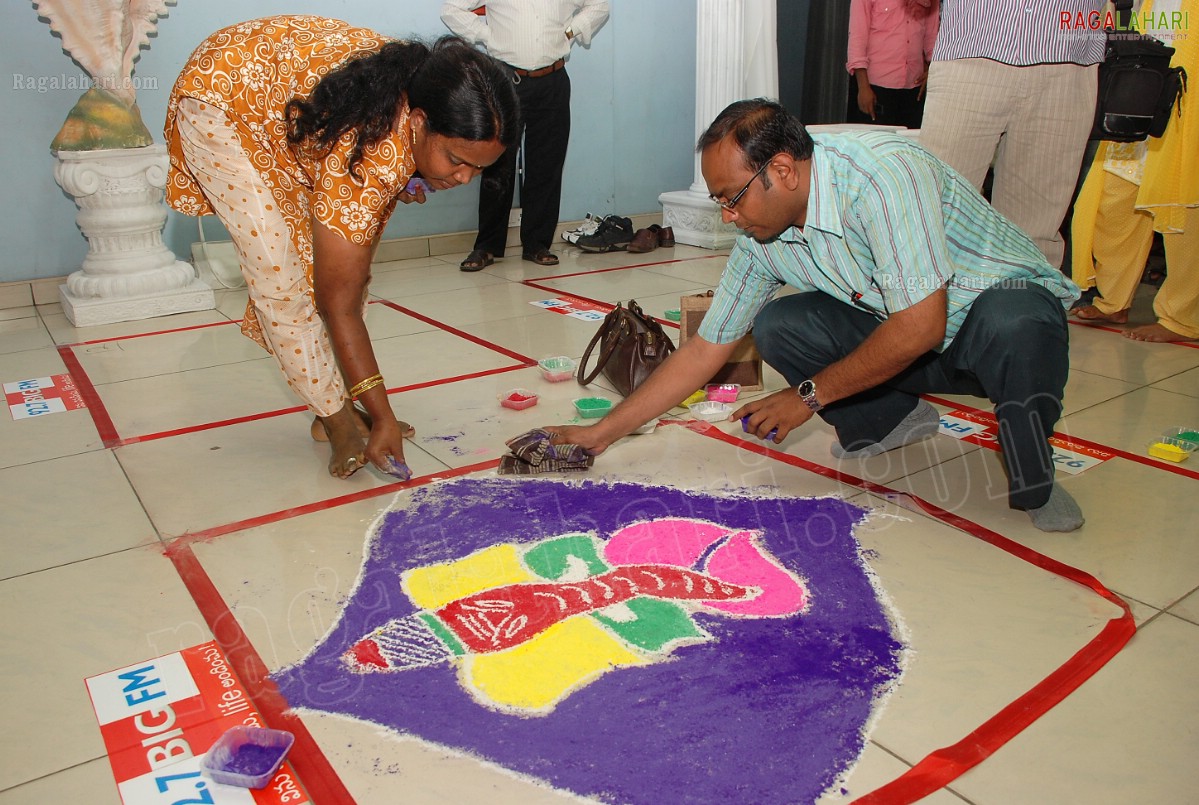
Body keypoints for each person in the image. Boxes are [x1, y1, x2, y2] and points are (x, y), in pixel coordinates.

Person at [544, 99, 1086, 533]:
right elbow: (704, 348)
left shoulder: (881, 176)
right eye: (721, 203)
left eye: (732, 199)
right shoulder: (761, 235)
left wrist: (808, 396)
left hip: (989, 316)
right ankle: (892, 420)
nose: (730, 217)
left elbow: (923, 325)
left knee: (1017, 322)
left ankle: (1035, 477)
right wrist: (602, 434)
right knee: (781, 324)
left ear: (783, 170)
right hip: (910, 334)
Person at [164, 16, 520, 478]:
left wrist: (416, 169)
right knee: (281, 277)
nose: (463, 179)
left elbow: (350, 269)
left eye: (479, 168)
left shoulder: (428, 90)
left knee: (338, 263)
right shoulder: (371, 149)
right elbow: (340, 301)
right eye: (456, 160)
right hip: (221, 99)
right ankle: (337, 421)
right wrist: (385, 415)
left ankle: (335, 401)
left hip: (275, 99)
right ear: (417, 121)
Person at [918, 0, 1106, 269]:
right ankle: (922, 309)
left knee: (1034, 238)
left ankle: (1022, 308)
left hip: (1067, 62)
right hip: (971, 51)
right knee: (935, 215)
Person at [441, 0, 610, 271]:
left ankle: (537, 243)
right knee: (497, 165)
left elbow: (600, 5)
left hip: (553, 80)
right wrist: (486, 36)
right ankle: (487, 245)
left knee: (547, 163)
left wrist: (571, 30)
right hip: (505, 80)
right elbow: (451, 8)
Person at [1070, 0, 1198, 342]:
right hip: (1146, 98)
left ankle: (1182, 318)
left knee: (1180, 212)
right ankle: (1114, 300)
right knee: (1113, 199)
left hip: (1188, 105)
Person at [845, 0, 939, 129]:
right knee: (877, 144)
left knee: (909, 145)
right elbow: (858, 36)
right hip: (875, 87)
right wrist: (863, 87)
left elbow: (932, 35)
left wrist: (933, 69)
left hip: (914, 88)